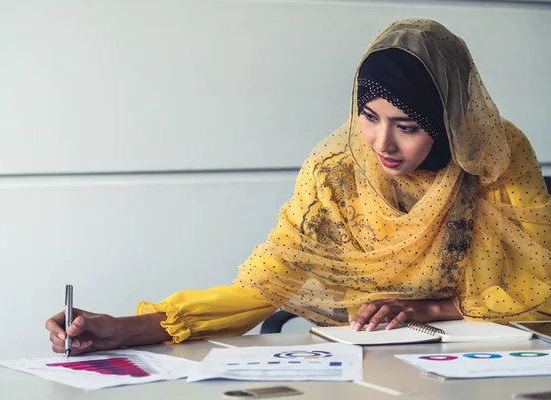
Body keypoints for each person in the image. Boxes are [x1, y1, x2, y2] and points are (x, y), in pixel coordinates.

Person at [46, 18, 551, 356]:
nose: (381, 143)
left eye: (408, 126)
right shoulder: (337, 168)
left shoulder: (494, 155)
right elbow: (273, 279)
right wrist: (125, 329)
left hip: (482, 356)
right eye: (369, 117)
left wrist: (433, 308)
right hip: (366, 356)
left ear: (448, 120)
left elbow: (540, 282)